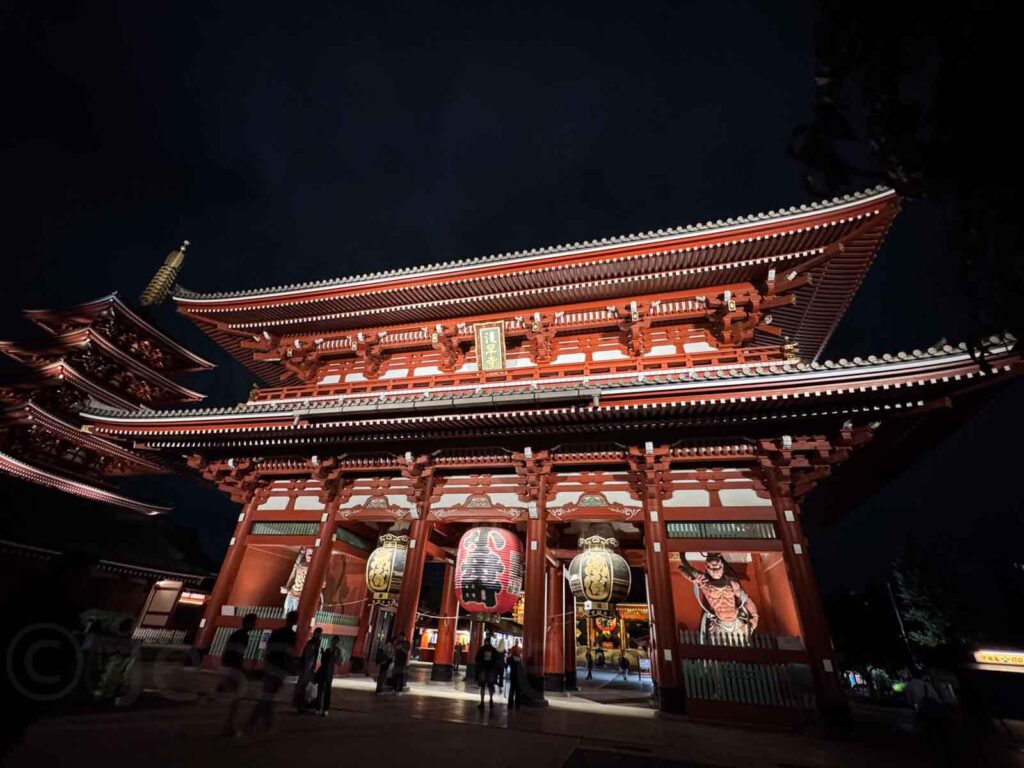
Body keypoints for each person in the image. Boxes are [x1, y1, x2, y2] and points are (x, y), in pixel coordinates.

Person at [243, 611, 298, 735]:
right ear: (295, 621)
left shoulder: (276, 632)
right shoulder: (291, 635)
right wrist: (292, 668)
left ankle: (265, 724)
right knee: (268, 697)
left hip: (270, 666)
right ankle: (255, 723)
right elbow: (288, 653)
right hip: (279, 669)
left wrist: (266, 665)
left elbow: (268, 650)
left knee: (268, 696)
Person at [218, 612, 257, 737]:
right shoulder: (244, 637)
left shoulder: (234, 634)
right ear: (249, 623)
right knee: (235, 699)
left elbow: (227, 650)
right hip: (233, 668)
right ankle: (227, 727)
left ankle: (226, 725)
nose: (255, 625)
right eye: (254, 623)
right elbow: (238, 653)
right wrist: (241, 668)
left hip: (226, 665)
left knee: (230, 695)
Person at [293, 626, 322, 713]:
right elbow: (309, 657)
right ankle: (299, 705)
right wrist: (308, 668)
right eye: (318, 633)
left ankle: (301, 705)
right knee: (303, 686)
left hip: (309, 668)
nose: (319, 635)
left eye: (320, 633)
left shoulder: (315, 643)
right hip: (307, 668)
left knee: (305, 687)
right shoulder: (312, 643)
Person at [315, 636, 341, 716]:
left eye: (336, 641)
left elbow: (338, 662)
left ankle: (325, 709)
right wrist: (322, 654)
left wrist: (337, 656)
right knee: (319, 690)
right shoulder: (327, 650)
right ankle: (318, 708)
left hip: (329, 673)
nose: (334, 643)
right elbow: (323, 661)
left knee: (327, 691)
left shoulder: (338, 651)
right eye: (333, 641)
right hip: (322, 672)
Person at [475, 634, 500, 710]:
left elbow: (477, 659)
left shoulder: (481, 649)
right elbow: (497, 660)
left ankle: (482, 702)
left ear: (485, 641)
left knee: (482, 686)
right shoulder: (494, 650)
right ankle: (491, 700)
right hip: (491, 670)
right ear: (490, 642)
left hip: (483, 670)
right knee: (491, 686)